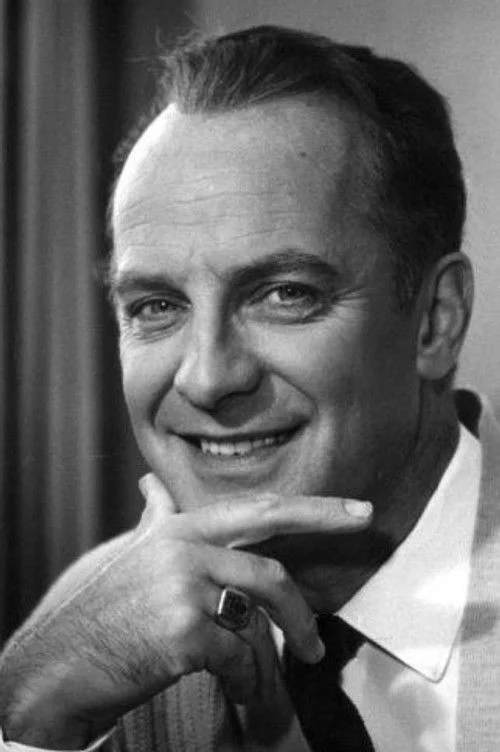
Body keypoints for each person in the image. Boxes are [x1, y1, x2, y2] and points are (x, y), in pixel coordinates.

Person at [0, 24, 499, 752]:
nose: (207, 378)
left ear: (435, 321)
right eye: (156, 306)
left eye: (284, 294)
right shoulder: (88, 632)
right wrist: (28, 722)